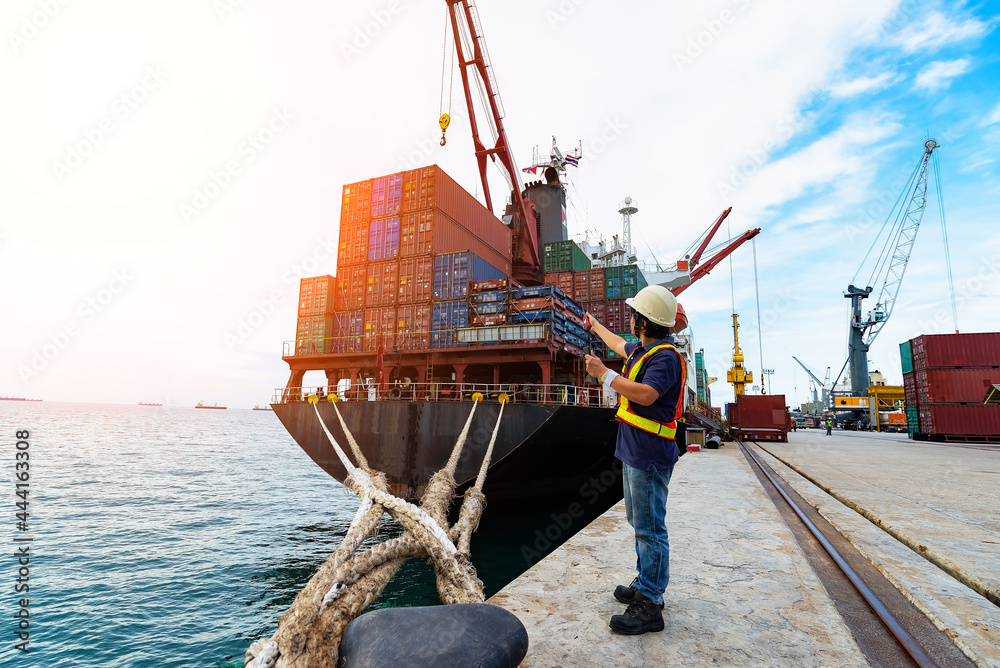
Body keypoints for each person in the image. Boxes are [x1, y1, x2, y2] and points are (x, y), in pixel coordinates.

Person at [584, 285, 686, 635]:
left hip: (649, 454)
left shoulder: (665, 357)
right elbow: (617, 344)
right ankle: (646, 583)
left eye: (633, 313)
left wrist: (605, 375)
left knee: (649, 528)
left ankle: (651, 604)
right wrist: (594, 325)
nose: (629, 318)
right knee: (638, 521)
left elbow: (647, 394)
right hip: (636, 451)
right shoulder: (646, 349)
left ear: (642, 321)